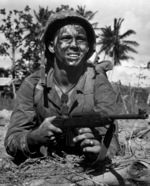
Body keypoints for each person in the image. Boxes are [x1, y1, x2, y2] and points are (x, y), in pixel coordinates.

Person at [4, 10, 119, 165]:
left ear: (87, 48)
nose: (74, 45)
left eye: (80, 39)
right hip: (41, 167)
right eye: (66, 38)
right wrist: (34, 137)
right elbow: (12, 140)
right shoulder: (32, 85)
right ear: (52, 46)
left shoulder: (99, 83)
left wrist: (101, 151)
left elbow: (112, 139)